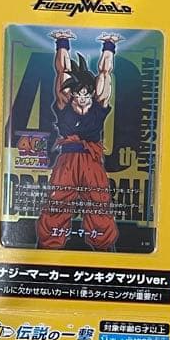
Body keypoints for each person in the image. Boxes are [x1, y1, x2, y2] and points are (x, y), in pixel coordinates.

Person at [36, 30, 121, 251]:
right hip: (67, 160)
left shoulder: (98, 104)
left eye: (86, 94)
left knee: (98, 202)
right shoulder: (64, 103)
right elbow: (62, 71)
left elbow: (105, 73)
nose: (82, 98)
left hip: (91, 160)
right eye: (78, 94)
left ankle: (104, 248)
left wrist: (109, 46)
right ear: (72, 94)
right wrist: (62, 43)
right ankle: (48, 248)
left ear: (91, 94)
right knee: (58, 202)